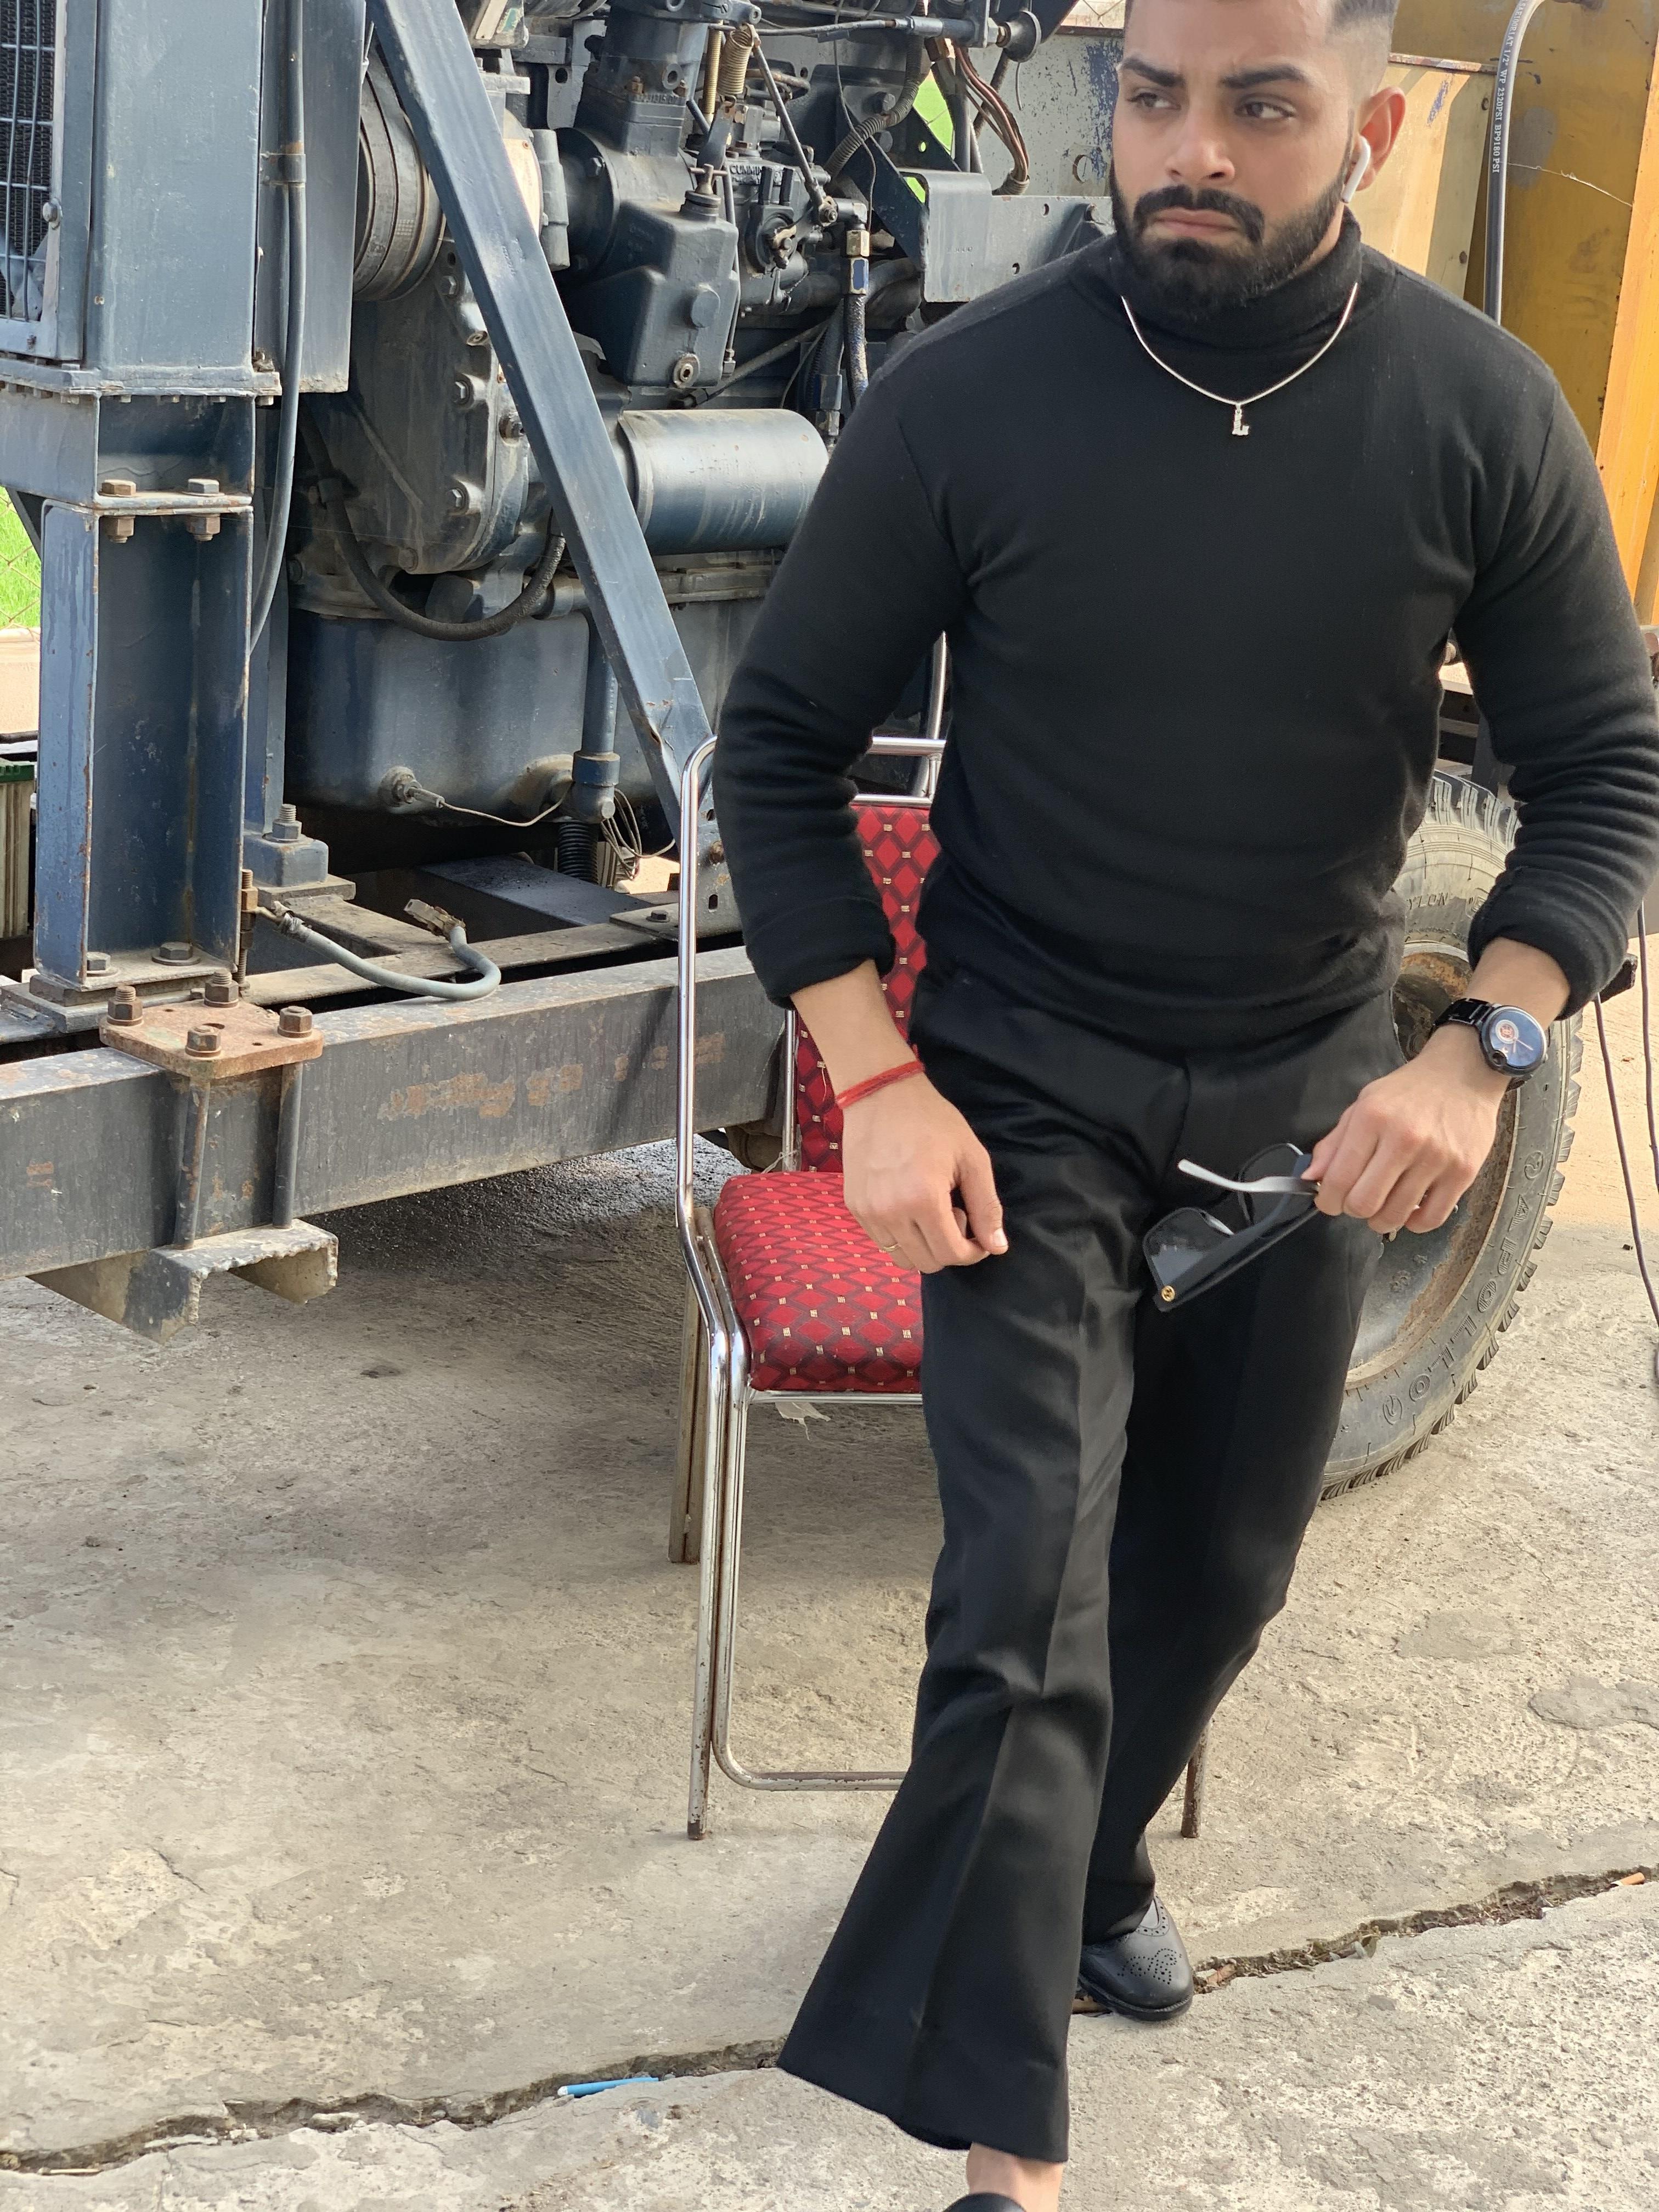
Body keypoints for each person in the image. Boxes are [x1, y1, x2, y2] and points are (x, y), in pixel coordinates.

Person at [712, 0, 1659, 2200]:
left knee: (1221, 1575)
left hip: (1308, 1094)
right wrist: (876, 1081)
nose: (1190, 152)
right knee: (1023, 1599)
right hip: (1016, 1085)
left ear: (1375, 124)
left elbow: (1606, 774)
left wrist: (1487, 1043)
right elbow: (779, 751)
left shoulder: (1480, 417)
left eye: (1259, 107)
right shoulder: (969, 401)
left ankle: (1089, 1866)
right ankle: (1005, 2161)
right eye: (1152, 99)